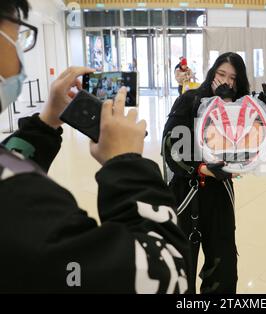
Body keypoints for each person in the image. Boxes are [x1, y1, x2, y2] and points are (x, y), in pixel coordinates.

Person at [0, 0, 190, 293]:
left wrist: (47, 121)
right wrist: (127, 163)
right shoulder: (20, 202)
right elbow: (167, 275)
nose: (20, 50)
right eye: (18, 34)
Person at [162, 52, 250, 293]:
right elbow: (170, 148)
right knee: (181, 268)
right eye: (221, 74)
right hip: (186, 194)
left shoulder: (241, 108)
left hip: (220, 193)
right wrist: (200, 168)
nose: (226, 81)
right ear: (212, 73)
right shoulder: (189, 100)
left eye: (232, 78)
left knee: (223, 268)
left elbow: (252, 151)